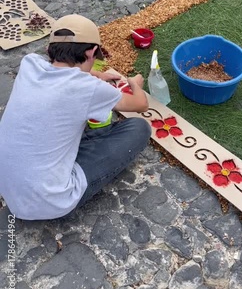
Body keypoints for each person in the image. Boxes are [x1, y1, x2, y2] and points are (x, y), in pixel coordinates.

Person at [0, 14, 151, 221]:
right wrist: (135, 83)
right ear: (91, 52)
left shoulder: (30, 63)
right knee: (138, 128)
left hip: (10, 188)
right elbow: (140, 104)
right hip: (48, 201)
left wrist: (99, 75)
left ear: (49, 50)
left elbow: (65, 73)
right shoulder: (88, 88)